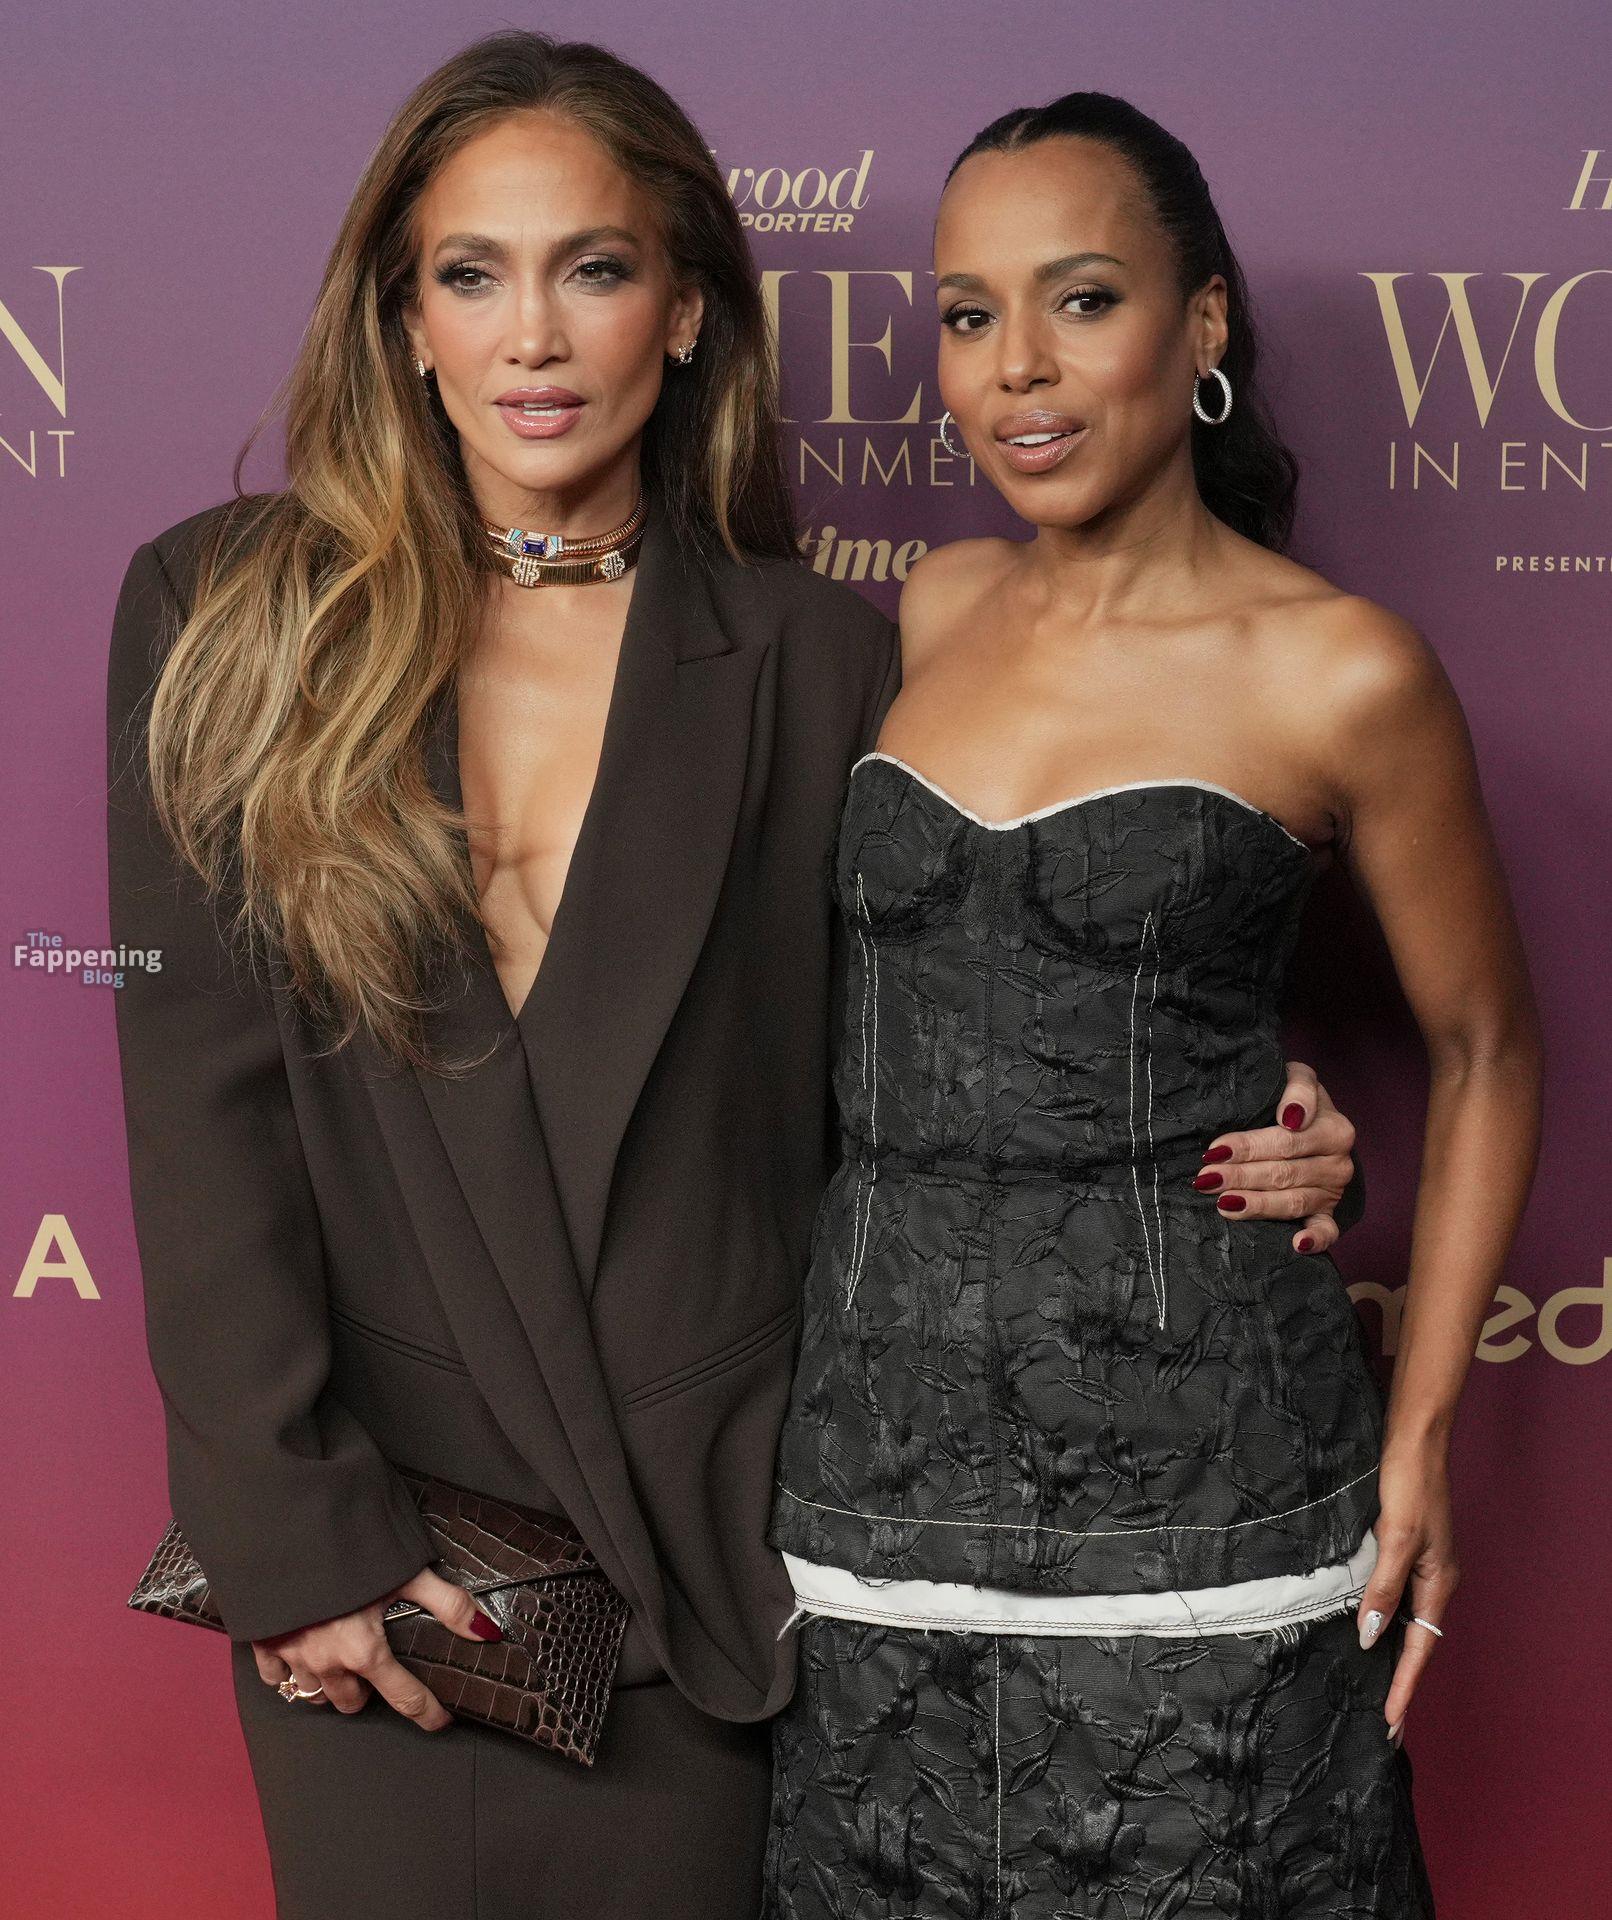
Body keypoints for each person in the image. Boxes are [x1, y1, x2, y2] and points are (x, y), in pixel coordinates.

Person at [106, 37, 1368, 1920]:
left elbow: (972, 1027)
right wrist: (293, 1540)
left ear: (687, 309)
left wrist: (1263, 1117)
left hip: (710, 1574)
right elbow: (198, 1105)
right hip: (392, 1581)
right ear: (404, 320)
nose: (535, 337)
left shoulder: (816, 659)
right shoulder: (226, 611)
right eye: (473, 274)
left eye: (596, 269)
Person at [763, 92, 1542, 1920]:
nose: (1017, 369)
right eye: (970, 316)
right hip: (875, 1494)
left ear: (1200, 325)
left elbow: (1489, 1050)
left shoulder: (1337, 668)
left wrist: (1423, 1438)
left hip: (1211, 1503)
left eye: (1083, 300)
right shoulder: (932, 610)